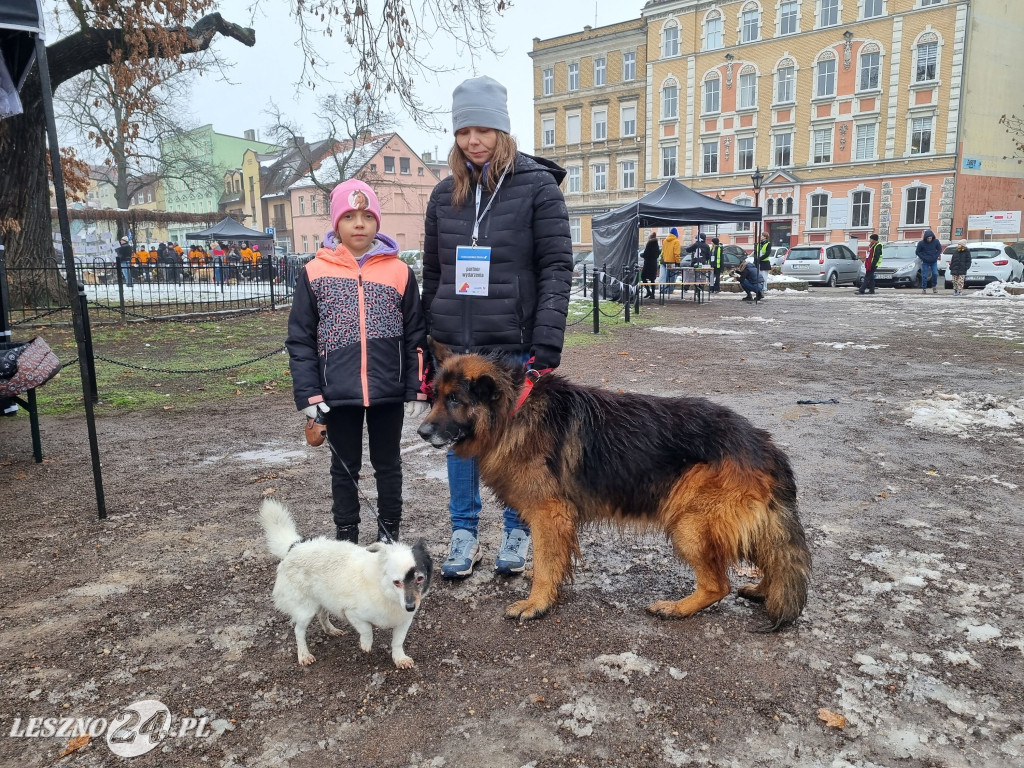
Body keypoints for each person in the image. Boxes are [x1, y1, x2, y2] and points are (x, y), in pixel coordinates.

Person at [422, 75, 573, 579]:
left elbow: (556, 267)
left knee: (519, 445)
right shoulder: (444, 196)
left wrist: (547, 339)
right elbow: (435, 272)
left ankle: (516, 527)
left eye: (484, 130)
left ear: (503, 131)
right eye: (465, 131)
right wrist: (428, 340)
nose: (474, 141)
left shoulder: (537, 189)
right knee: (455, 436)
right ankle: (463, 530)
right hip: (454, 344)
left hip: (512, 345)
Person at [287, 178, 429, 544]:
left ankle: (388, 536)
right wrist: (310, 395)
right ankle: (347, 536)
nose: (359, 223)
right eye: (349, 216)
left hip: (387, 389)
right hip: (338, 393)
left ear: (377, 222)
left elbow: (415, 334)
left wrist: (416, 386)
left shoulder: (399, 272)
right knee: (344, 468)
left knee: (388, 465)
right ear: (336, 224)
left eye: (367, 215)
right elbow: (301, 339)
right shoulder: (314, 273)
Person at [916, 229, 942, 294]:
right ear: (925, 238)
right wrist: (923, 257)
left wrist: (936, 256)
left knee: (935, 273)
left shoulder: (936, 241)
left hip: (933, 261)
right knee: (924, 275)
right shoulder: (921, 243)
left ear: (932, 237)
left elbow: (939, 249)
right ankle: (924, 288)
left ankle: (934, 287)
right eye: (928, 238)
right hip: (925, 261)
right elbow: (917, 252)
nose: (929, 239)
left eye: (930, 238)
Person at [660, 227, 681, 294]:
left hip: (664, 260)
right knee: (672, 277)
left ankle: (664, 290)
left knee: (665, 276)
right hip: (672, 262)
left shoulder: (665, 241)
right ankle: (670, 290)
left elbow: (663, 251)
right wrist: (678, 262)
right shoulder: (676, 241)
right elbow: (676, 253)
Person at [640, 230, 660, 298]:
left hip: (648, 264)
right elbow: (658, 253)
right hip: (654, 263)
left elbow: (646, 254)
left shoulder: (649, 244)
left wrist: (641, 254)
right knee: (652, 279)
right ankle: (653, 294)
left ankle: (648, 291)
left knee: (643, 277)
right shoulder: (657, 244)